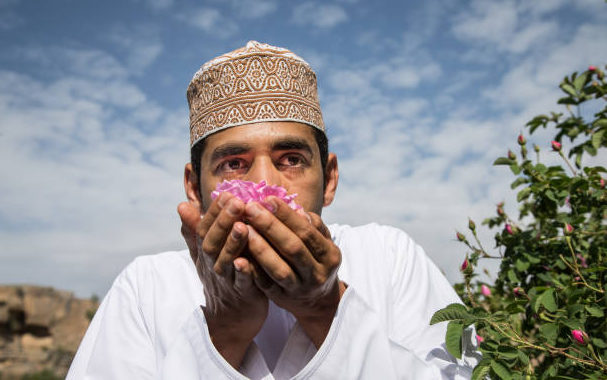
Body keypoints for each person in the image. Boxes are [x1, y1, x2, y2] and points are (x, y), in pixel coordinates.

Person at [67, 41, 479, 379]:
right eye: (233, 164)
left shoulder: (389, 257)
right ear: (194, 188)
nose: (269, 191)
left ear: (330, 178)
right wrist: (224, 329)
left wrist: (326, 308)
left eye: (292, 159)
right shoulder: (147, 287)